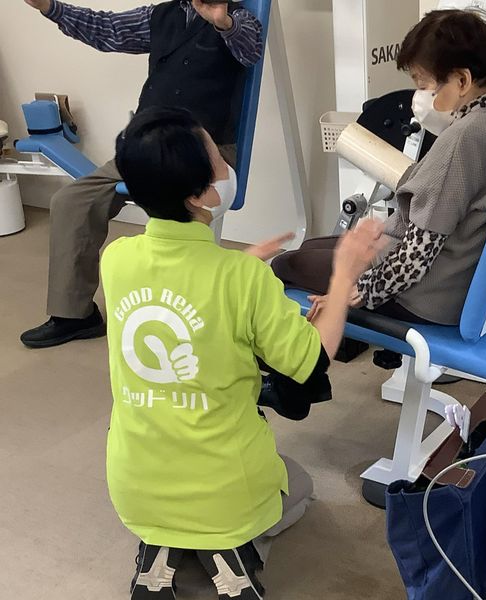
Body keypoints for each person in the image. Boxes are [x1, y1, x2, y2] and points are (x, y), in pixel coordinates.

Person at [102, 107, 384, 599]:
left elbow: (184, 292)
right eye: (218, 160)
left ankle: (163, 544)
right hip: (225, 490)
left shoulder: (116, 258)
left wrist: (239, 265)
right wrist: (344, 275)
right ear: (199, 196)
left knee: (176, 487)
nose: (227, 167)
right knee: (299, 487)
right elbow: (311, 360)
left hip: (134, 486)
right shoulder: (244, 281)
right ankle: (226, 550)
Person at [20, 0, 264, 348]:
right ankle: (74, 316)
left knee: (174, 211)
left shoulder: (240, 18)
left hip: (201, 151)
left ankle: (188, 315)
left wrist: (223, 22)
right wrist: (50, 7)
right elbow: (106, 30)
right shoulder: (158, 16)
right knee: (71, 201)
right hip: (147, 146)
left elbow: (250, 52)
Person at [272, 9, 486, 327]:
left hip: (425, 297)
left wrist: (358, 292)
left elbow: (416, 257)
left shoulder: (462, 141)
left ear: (462, 80)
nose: (420, 97)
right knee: (311, 246)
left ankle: (310, 350)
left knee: (284, 264)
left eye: (426, 86)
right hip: (461, 277)